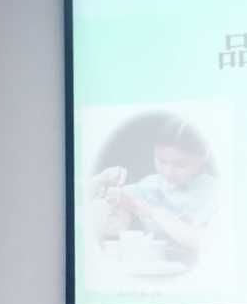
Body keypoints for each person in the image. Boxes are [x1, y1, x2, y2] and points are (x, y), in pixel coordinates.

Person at [88, 113, 217, 264]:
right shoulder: (152, 184)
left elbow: (202, 242)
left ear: (204, 157)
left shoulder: (215, 192)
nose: (168, 172)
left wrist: (152, 211)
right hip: (151, 264)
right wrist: (103, 182)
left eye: (180, 164)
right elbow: (109, 207)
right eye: (161, 161)